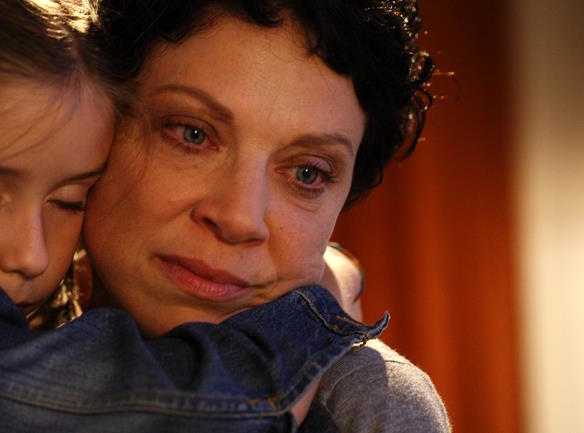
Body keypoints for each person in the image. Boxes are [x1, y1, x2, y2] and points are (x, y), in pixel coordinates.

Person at [0, 1, 383, 431]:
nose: (33, 255)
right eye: (192, 133)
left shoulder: (367, 404)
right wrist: (317, 311)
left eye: (69, 199)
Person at [81, 0, 451, 431]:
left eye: (307, 173)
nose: (240, 219)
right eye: (192, 134)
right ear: (93, 119)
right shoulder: (13, 316)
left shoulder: (366, 408)